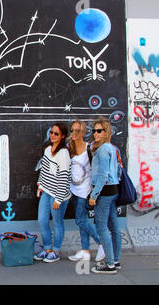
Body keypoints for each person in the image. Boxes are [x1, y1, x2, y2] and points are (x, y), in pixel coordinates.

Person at [67, 120, 105, 262]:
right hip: (74, 190)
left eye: (77, 130)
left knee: (80, 220)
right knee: (82, 220)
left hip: (85, 190)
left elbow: (96, 170)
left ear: (83, 132)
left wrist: (94, 191)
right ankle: (85, 250)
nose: (74, 133)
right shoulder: (70, 148)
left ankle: (102, 243)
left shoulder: (90, 149)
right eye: (72, 130)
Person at [88, 117, 122, 274]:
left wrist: (94, 194)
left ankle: (109, 265)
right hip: (113, 190)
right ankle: (115, 260)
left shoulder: (102, 150)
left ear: (106, 132)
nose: (95, 134)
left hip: (105, 190)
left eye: (99, 131)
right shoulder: (112, 148)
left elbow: (103, 175)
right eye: (94, 131)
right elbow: (118, 170)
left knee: (101, 226)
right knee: (114, 226)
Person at [34, 122, 71, 263]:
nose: (53, 135)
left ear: (62, 136)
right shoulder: (48, 149)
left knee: (57, 222)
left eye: (56, 133)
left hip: (58, 195)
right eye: (51, 132)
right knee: (42, 220)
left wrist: (59, 199)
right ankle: (47, 248)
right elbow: (44, 170)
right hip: (46, 191)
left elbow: (64, 177)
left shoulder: (64, 153)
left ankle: (55, 251)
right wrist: (40, 185)